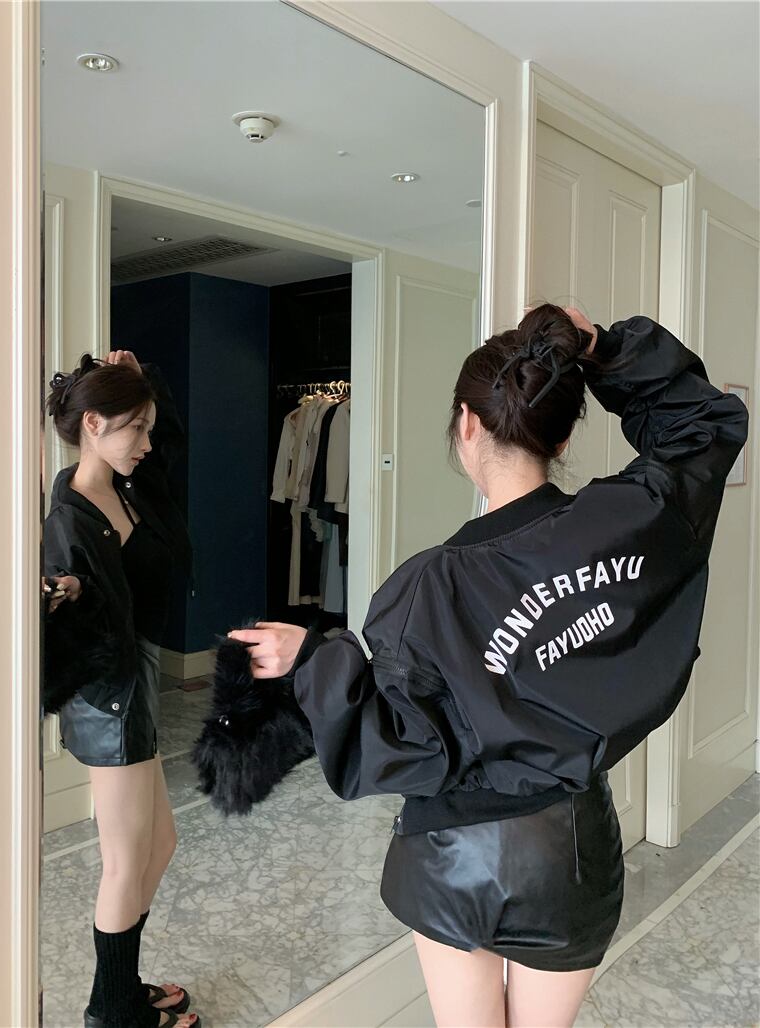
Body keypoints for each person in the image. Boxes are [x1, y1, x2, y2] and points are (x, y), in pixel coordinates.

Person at [230, 305, 748, 1028]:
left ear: (466, 424)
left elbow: (402, 745)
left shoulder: (427, 587)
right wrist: (601, 347)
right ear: (562, 437)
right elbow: (704, 424)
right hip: (570, 851)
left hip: (452, 853)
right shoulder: (636, 519)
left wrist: (314, 658)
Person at [44, 350, 201, 1028]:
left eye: (148, 428)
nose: (146, 442)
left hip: (135, 685)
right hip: (109, 700)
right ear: (94, 424)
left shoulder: (130, 484)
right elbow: (63, 631)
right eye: (135, 428)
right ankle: (112, 1011)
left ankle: (119, 989)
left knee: (157, 846)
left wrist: (149, 380)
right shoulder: (69, 515)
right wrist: (68, 593)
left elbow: (172, 447)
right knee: (125, 861)